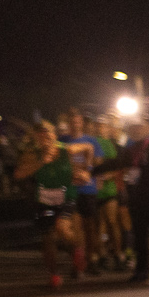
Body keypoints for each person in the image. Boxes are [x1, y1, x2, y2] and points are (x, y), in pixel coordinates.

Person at [91, 116, 149, 283]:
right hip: (137, 200)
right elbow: (116, 163)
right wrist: (93, 171)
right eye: (134, 129)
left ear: (146, 130)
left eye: (140, 128)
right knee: (140, 237)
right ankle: (142, 269)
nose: (137, 131)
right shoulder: (129, 151)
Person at [13, 122, 86, 288]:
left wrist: (84, 171)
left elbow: (87, 148)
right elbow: (18, 174)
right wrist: (41, 162)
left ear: (54, 135)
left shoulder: (66, 150)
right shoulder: (32, 154)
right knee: (48, 238)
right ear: (36, 138)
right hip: (44, 200)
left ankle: (77, 250)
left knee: (63, 228)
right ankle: (54, 275)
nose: (44, 137)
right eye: (40, 134)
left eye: (47, 133)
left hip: (66, 196)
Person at [62, 109, 106, 275]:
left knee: (90, 227)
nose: (75, 124)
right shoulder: (62, 140)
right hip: (70, 189)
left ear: (81, 123)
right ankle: (78, 263)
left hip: (88, 189)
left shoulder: (91, 141)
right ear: (68, 123)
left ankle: (91, 260)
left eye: (78, 121)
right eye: (72, 122)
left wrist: (94, 177)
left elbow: (99, 164)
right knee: (75, 228)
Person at [94, 117, 127, 271]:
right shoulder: (92, 142)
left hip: (109, 189)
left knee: (112, 222)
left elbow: (117, 167)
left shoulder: (111, 145)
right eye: (99, 126)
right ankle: (102, 255)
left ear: (108, 128)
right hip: (95, 190)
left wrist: (107, 176)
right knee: (99, 225)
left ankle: (118, 253)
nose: (101, 129)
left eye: (104, 126)